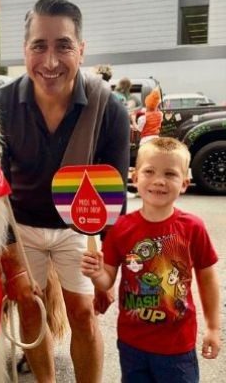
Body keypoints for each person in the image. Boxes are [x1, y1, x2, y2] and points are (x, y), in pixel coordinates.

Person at [0, 0, 131, 383]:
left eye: (63, 46)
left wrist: (109, 268)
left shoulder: (110, 109)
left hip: (78, 230)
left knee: (83, 314)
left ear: (81, 50)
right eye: (39, 46)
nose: (50, 61)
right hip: (20, 230)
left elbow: (112, 195)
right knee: (31, 313)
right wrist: (10, 250)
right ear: (25, 50)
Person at [82, 136, 221, 382]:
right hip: (132, 343)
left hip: (177, 347)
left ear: (185, 183)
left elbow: (207, 278)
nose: (159, 180)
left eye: (170, 174)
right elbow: (107, 281)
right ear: (135, 178)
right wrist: (96, 274)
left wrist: (212, 327)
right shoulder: (120, 228)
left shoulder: (192, 228)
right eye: (150, 171)